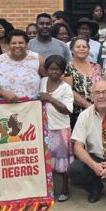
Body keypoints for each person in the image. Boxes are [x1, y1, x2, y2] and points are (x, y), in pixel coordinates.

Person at [39, 55, 75, 201]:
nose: (54, 72)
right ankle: (49, 189)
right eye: (51, 69)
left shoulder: (65, 88)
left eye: (58, 70)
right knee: (47, 161)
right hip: (44, 127)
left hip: (60, 129)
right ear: (46, 70)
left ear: (62, 72)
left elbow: (68, 110)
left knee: (62, 163)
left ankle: (65, 189)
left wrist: (51, 99)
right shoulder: (42, 81)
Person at [0, 30, 43, 101]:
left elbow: (48, 78)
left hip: (32, 106)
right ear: (8, 44)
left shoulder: (37, 59)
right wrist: (3, 93)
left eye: (21, 43)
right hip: (7, 107)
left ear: (26, 44)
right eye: (13, 43)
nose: (17, 46)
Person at [64, 36, 103, 129]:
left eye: (84, 47)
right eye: (78, 47)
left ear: (88, 50)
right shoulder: (68, 67)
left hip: (100, 111)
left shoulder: (97, 67)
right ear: (72, 50)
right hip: (79, 113)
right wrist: (88, 106)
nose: (82, 49)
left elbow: (105, 87)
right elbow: (68, 91)